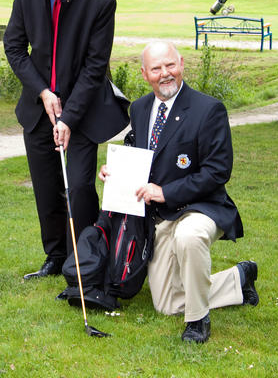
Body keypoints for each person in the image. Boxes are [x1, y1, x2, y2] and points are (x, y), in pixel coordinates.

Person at [99, 41, 258, 344]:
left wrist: (165, 191)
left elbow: (217, 171)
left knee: (189, 237)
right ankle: (239, 279)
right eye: (156, 68)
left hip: (202, 207)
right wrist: (115, 172)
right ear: (145, 74)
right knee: (166, 303)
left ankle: (197, 321)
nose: (165, 74)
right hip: (160, 216)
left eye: (170, 65)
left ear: (182, 64)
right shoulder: (141, 108)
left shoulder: (209, 109)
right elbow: (141, 154)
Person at [4, 0, 127, 280]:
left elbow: (95, 67)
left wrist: (70, 118)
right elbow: (14, 46)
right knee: (46, 187)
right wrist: (42, 92)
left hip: (84, 110)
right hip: (38, 107)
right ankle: (56, 257)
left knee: (79, 187)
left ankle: (86, 259)